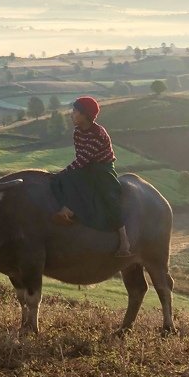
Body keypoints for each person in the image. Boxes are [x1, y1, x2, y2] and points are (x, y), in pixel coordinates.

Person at [53, 96, 132, 257]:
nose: (71, 114)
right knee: (62, 180)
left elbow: (83, 158)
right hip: (87, 166)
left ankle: (124, 241)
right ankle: (69, 211)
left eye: (75, 111)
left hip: (102, 168)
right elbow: (81, 157)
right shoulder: (77, 132)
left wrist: (66, 170)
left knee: (108, 196)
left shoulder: (98, 133)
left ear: (85, 115)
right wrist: (66, 174)